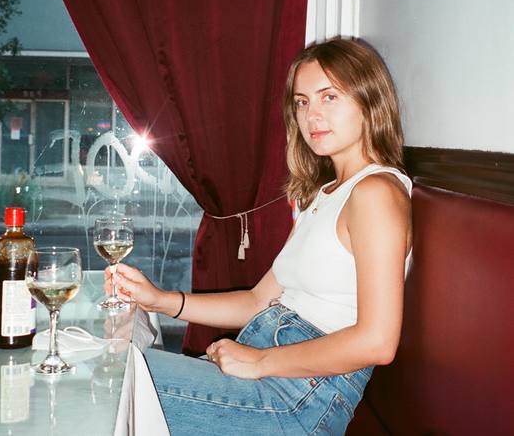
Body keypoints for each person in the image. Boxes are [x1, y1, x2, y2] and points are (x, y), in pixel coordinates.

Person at [106, 37, 412, 435]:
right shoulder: (327, 194)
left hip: (300, 399)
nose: (312, 115)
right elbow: (256, 300)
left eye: (329, 97)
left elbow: (377, 341)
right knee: (112, 367)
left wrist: (259, 361)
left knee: (113, 380)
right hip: (275, 367)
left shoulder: (375, 192)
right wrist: (162, 301)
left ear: (370, 100)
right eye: (301, 102)